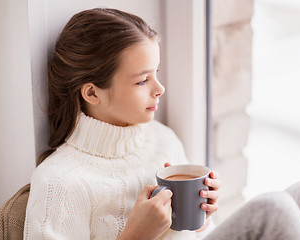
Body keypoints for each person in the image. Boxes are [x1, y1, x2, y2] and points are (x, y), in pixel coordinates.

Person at [23, 8, 220, 240]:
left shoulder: (163, 140)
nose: (160, 89)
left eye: (156, 73)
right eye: (142, 80)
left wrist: (200, 221)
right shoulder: (60, 184)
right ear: (92, 93)